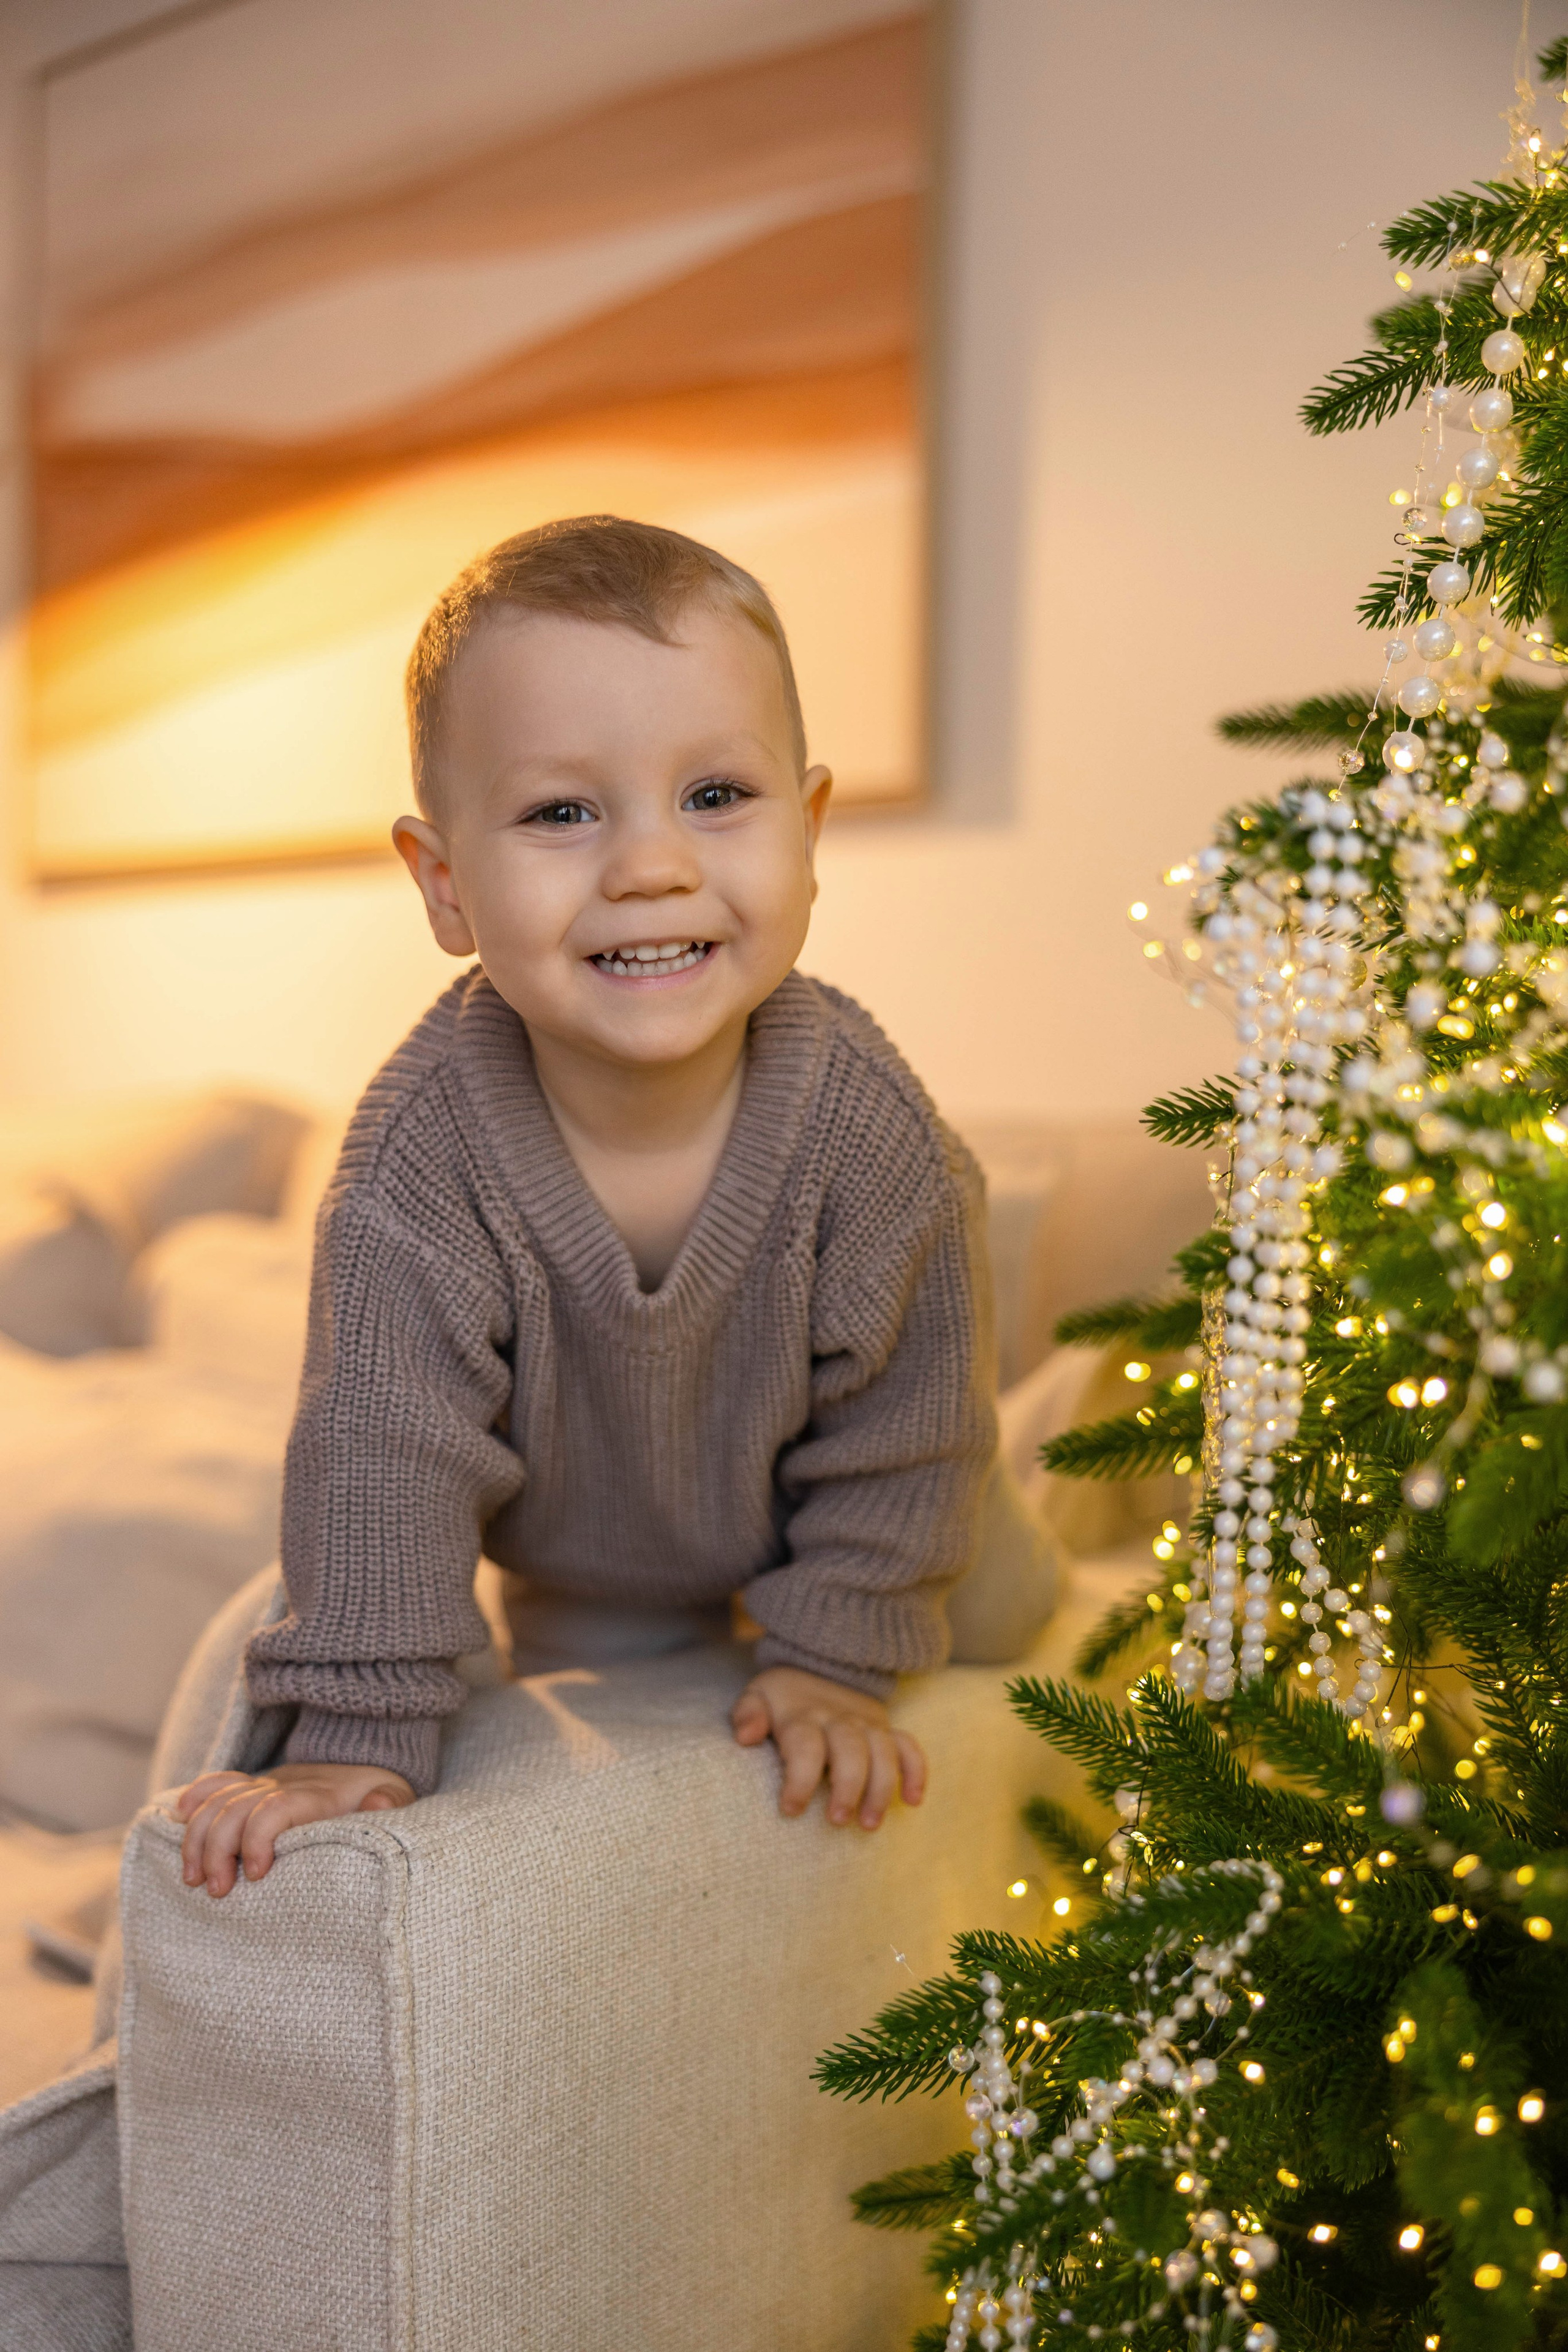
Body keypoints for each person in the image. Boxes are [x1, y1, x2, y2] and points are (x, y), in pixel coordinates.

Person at [173, 514, 1049, 1899]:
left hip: (871, 1494)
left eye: (715, 795)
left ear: (808, 835)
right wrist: (352, 1734)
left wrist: (835, 1655)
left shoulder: (876, 1141)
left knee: (998, 1609)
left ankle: (1042, 1451)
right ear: (446, 884)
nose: (649, 865)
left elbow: (908, 1420)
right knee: (614, 1742)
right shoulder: (416, 1168)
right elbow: (380, 1458)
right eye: (561, 812)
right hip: (591, 1547)